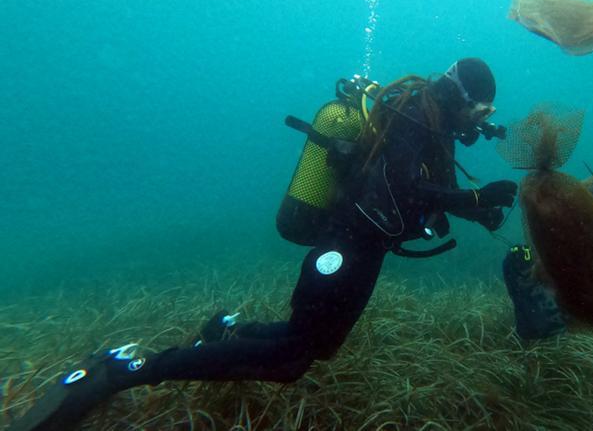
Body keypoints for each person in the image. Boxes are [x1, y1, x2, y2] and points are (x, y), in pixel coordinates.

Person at [11, 58, 519, 431]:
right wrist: (472, 195)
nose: (480, 120)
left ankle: (225, 330)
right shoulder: (408, 120)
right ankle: (129, 370)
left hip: (367, 250)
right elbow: (406, 186)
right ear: (456, 96)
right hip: (344, 247)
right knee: (292, 358)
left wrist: (478, 209)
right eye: (478, 108)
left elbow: (429, 197)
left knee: (314, 345)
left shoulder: (434, 128)